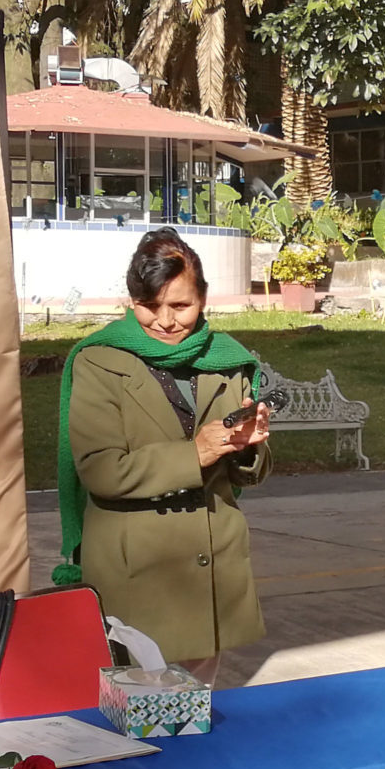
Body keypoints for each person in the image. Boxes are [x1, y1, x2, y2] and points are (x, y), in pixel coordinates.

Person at [53, 228, 271, 681]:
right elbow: (101, 470)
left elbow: (245, 473)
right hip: (137, 573)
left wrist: (247, 448)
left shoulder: (228, 361)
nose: (165, 321)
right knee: (137, 709)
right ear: (131, 300)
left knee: (198, 706)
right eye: (149, 305)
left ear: (204, 298)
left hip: (210, 568)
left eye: (180, 305)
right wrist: (196, 454)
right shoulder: (100, 361)